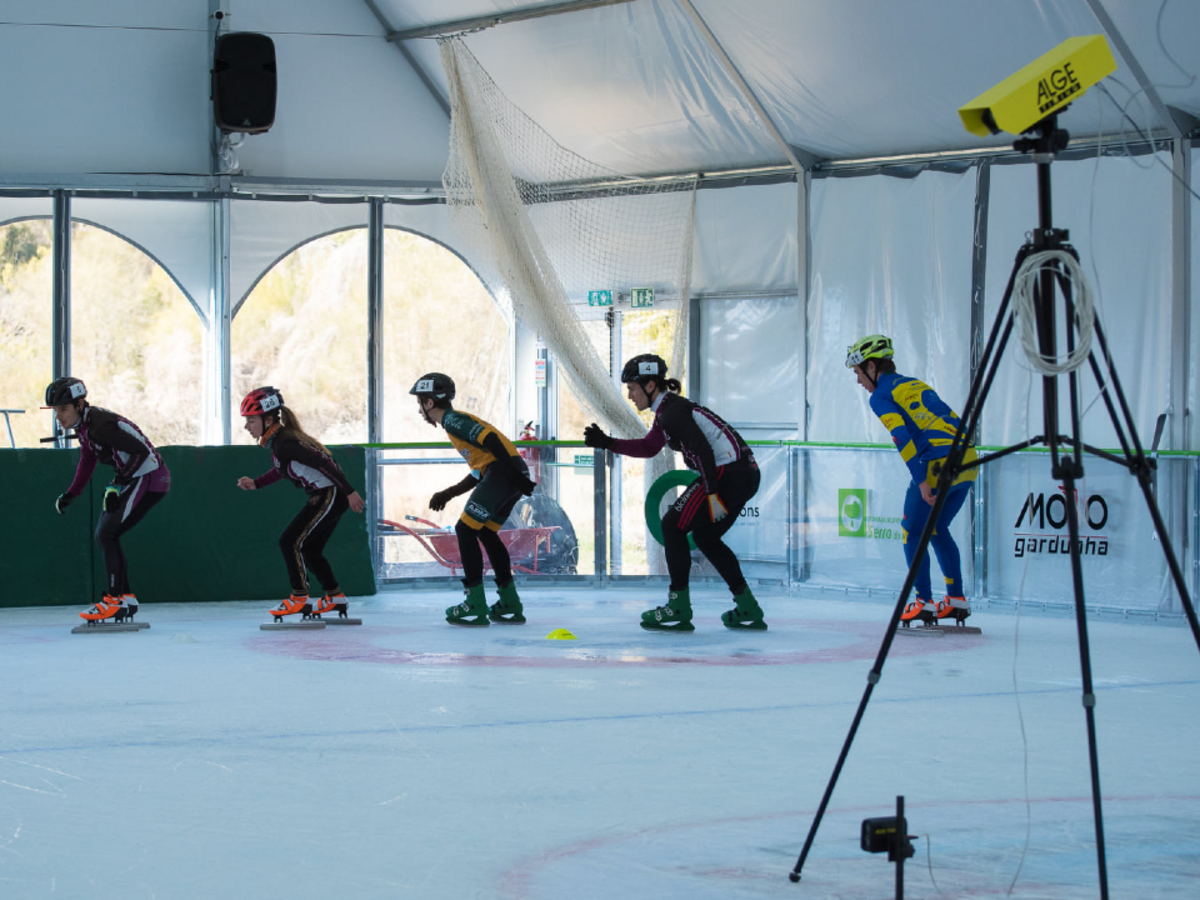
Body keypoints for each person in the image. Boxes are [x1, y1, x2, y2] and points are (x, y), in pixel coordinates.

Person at [583, 354, 764, 632]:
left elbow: (702, 450)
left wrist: (712, 495)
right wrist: (608, 442)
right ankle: (748, 606)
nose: (630, 395)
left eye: (632, 388)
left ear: (651, 385)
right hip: (744, 473)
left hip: (728, 473)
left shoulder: (671, 412)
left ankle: (678, 607)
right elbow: (648, 448)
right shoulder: (667, 412)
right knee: (705, 537)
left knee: (671, 525)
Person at [846, 334, 977, 624]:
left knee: (911, 532)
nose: (858, 382)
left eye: (857, 373)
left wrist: (921, 480)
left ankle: (923, 602)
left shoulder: (881, 395)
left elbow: (901, 436)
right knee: (937, 528)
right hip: (968, 459)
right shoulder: (912, 383)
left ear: (870, 367)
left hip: (938, 464)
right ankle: (955, 599)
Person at [410, 373, 537, 626]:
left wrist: (513, 475)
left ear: (430, 403)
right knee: (486, 534)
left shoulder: (453, 420)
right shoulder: (454, 423)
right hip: (507, 473)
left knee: (464, 530)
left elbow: (490, 440)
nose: (419, 409)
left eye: (420, 402)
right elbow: (481, 469)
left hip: (504, 473)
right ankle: (509, 602)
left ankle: (474, 603)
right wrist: (449, 493)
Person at [46, 376, 170, 624]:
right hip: (134, 477)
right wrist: (73, 492)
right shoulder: (85, 426)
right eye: (54, 411)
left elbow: (142, 452)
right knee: (104, 534)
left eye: (63, 409)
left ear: (80, 405)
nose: (58, 417)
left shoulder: (100, 425)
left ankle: (115, 600)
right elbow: (87, 460)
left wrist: (117, 483)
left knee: (106, 534)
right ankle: (125, 599)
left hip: (148, 476)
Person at [236, 387, 365, 621]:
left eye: (251, 421)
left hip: (330, 494)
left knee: (289, 540)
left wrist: (349, 491)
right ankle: (334, 596)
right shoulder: (280, 442)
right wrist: (256, 483)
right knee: (309, 548)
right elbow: (280, 470)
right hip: (329, 495)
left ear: (268, 419)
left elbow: (325, 463)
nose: (247, 427)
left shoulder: (286, 442)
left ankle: (299, 598)